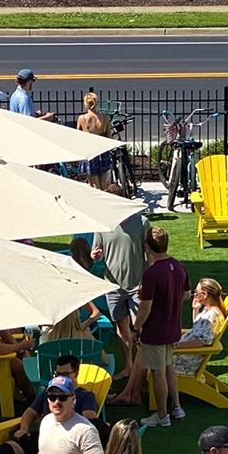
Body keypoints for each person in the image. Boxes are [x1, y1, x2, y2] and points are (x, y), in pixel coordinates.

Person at [111, 227, 190, 427]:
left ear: (147, 247)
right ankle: (177, 408)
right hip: (173, 328)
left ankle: (162, 415)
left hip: (155, 330)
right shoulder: (179, 267)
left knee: (158, 372)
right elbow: (186, 294)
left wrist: (135, 328)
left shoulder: (151, 273)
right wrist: (170, 299)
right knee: (169, 368)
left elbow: (145, 307)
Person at [92, 184, 149, 382]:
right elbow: (95, 253)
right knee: (121, 328)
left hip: (137, 285)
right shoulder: (102, 225)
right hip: (113, 286)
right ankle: (129, 367)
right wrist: (95, 255)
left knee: (140, 327)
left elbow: (149, 253)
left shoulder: (142, 222)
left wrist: (149, 281)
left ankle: (143, 369)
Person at [29, 375, 104, 454]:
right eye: (52, 397)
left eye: (62, 397)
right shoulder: (46, 422)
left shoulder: (85, 430)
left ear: (73, 399)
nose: (57, 402)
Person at [174, 278, 227, 377]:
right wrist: (195, 310)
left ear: (205, 295)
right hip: (185, 357)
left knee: (151, 356)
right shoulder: (210, 310)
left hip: (184, 362)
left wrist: (175, 345)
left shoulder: (210, 316)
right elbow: (198, 329)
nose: (194, 294)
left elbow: (200, 341)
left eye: (196, 292)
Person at [76, 91, 113, 190]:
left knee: (94, 186)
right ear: (96, 103)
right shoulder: (104, 118)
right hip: (103, 152)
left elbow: (78, 137)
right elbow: (109, 136)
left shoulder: (82, 119)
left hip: (90, 153)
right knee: (104, 186)